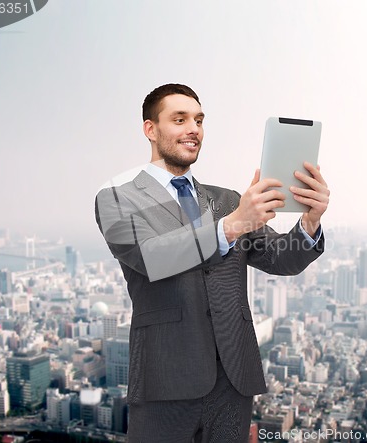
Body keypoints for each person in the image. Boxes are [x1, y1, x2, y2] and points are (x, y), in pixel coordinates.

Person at [95, 83, 330, 443]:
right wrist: (235, 224)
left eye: (199, 120)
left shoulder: (227, 200)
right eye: (180, 119)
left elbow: (281, 258)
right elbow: (151, 257)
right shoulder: (117, 199)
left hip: (233, 382)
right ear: (150, 130)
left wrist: (310, 221)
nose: (194, 129)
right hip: (165, 384)